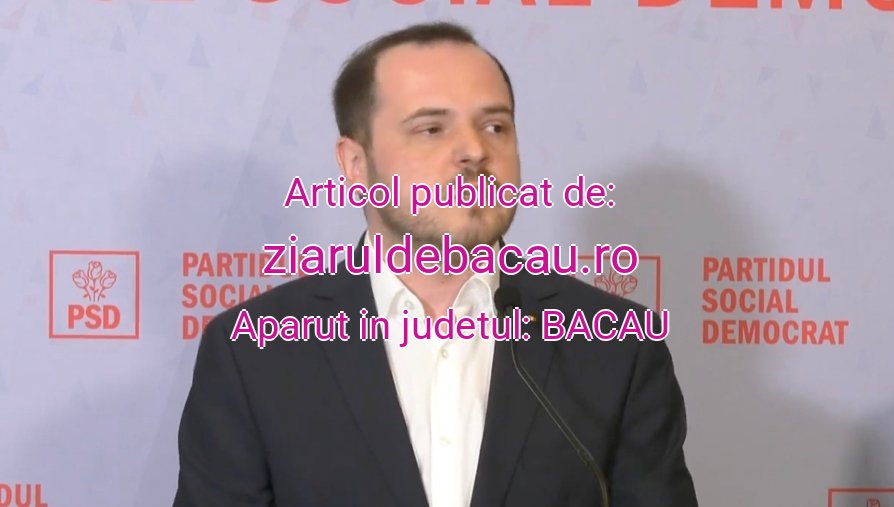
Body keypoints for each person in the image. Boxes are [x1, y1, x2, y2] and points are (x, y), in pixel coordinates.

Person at [174, 21, 698, 507]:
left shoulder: (617, 346)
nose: (474, 150)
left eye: (495, 126)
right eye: (431, 129)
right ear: (356, 164)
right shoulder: (253, 351)